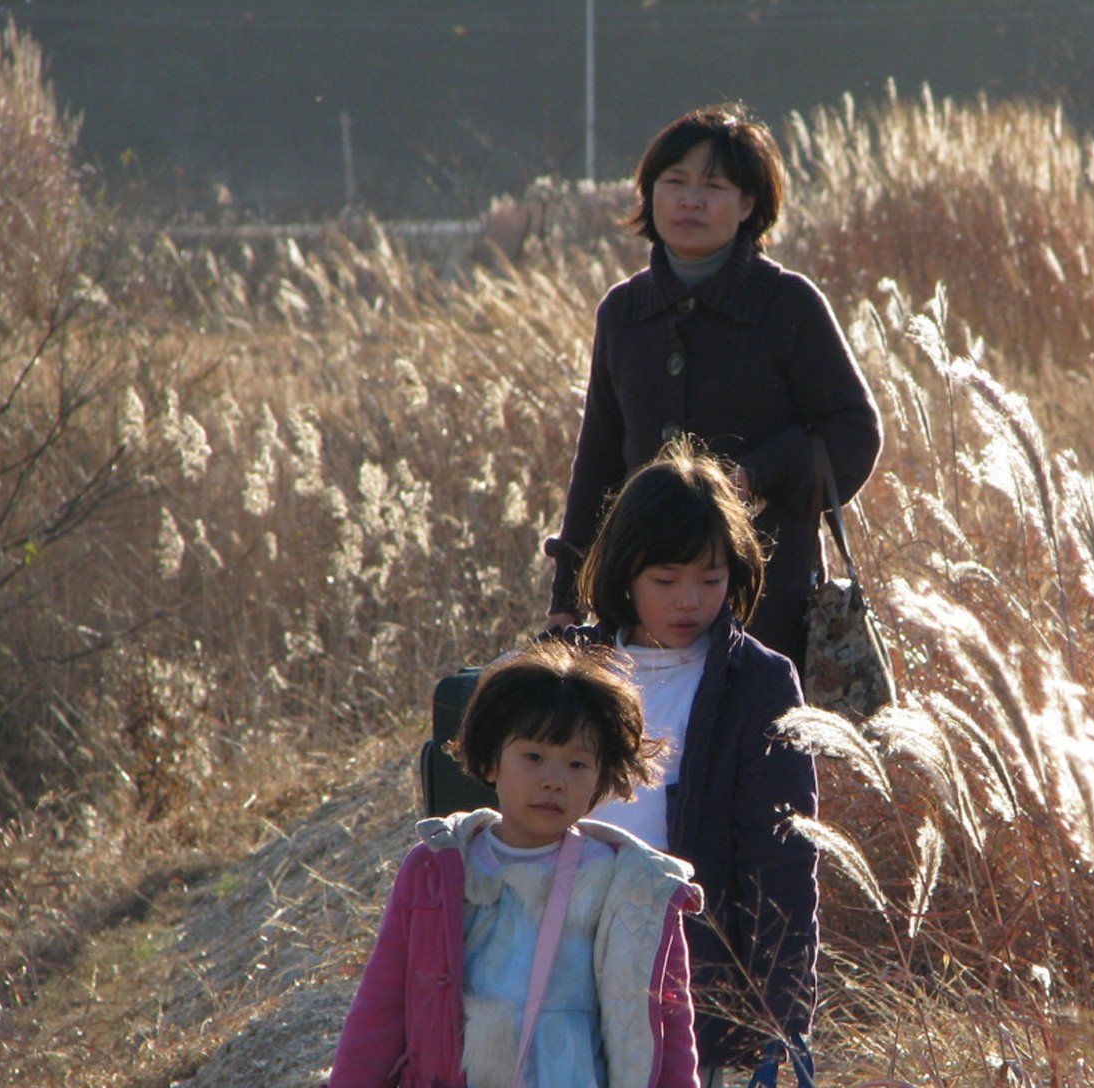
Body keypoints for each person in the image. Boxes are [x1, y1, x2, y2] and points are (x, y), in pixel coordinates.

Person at [546, 102, 883, 669]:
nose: (690, 200)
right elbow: (599, 461)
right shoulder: (624, 312)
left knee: (756, 745)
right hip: (641, 600)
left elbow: (855, 431)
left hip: (766, 599)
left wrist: (756, 476)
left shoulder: (788, 304)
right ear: (649, 196)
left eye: (714, 186)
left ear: (748, 203)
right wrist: (565, 601)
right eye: (673, 182)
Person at [327, 643, 702, 1088]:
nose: (553, 779)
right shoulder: (439, 869)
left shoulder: (635, 885)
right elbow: (382, 1005)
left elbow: (667, 1024)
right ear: (490, 761)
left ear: (602, 778)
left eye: (578, 763)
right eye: (534, 757)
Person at [561, 441, 818, 1081]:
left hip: (686, 982)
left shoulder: (757, 683)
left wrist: (783, 1015)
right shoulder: (565, 669)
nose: (689, 601)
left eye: (710, 580)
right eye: (666, 580)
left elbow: (782, 857)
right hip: (560, 963)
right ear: (625, 572)